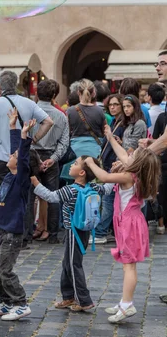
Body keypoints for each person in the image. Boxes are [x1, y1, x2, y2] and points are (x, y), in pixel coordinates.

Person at [85, 131, 160, 323]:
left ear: (137, 162)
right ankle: (123, 302)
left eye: (133, 154)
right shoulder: (137, 173)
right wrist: (110, 137)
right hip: (128, 222)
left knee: (129, 266)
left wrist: (91, 163)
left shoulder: (128, 175)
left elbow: (103, 176)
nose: (129, 154)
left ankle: (127, 305)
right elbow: (122, 155)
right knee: (128, 265)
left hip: (129, 224)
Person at [32, 156, 114, 313]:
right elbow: (108, 188)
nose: (71, 166)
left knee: (73, 265)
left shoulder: (69, 190)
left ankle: (84, 300)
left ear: (81, 172)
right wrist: (113, 174)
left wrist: (35, 182)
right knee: (67, 263)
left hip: (73, 232)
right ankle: (68, 296)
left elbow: (50, 197)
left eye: (75, 164)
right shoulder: (94, 187)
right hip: (84, 231)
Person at [0, 70, 52, 204]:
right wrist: (33, 139)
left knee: (0, 200)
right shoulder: (29, 103)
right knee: (23, 200)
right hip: (22, 157)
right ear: (16, 84)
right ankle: (25, 225)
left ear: (0, 86)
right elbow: (48, 122)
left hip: (0, 158)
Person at [0, 109, 36, 321]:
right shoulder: (9, 174)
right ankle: (5, 303)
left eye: (13, 155)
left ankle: (21, 302)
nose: (10, 155)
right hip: (1, 230)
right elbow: (17, 151)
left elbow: (22, 155)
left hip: (12, 233)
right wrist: (13, 127)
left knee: (6, 272)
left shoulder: (21, 179)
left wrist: (24, 137)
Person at [30, 80, 69, 244]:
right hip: (51, 154)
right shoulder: (61, 115)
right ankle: (52, 234)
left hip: (32, 155)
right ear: (54, 95)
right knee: (53, 196)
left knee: (29, 195)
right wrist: (53, 159)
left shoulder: (29, 113)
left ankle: (27, 233)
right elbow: (64, 142)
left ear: (37, 94)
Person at [94, 94, 125, 244]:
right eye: (110, 105)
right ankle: (110, 229)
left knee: (107, 200)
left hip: (115, 165)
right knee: (109, 200)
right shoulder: (113, 122)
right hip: (108, 164)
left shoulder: (123, 124)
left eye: (116, 105)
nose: (112, 107)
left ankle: (100, 232)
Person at [67, 79, 105, 160]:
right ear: (93, 93)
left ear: (78, 92)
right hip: (95, 150)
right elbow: (104, 131)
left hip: (75, 150)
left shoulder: (70, 111)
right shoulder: (99, 111)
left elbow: (68, 131)